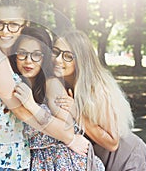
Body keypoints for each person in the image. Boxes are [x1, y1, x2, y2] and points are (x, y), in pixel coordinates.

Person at [0, 0, 89, 171]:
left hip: (15, 162)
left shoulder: (16, 61)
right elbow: (21, 111)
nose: (5, 30)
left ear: (25, 26)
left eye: (13, 24)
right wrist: (68, 138)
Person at [52, 30, 146, 171]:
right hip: (100, 161)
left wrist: (77, 113)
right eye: (56, 52)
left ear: (82, 60)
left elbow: (112, 143)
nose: (58, 59)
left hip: (128, 159)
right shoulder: (58, 84)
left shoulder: (97, 89)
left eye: (67, 56)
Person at [10, 26, 105, 170]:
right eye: (22, 54)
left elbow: (67, 128)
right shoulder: (14, 84)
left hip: (63, 161)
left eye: (36, 55)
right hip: (31, 161)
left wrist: (31, 105)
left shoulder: (51, 84)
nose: (28, 61)